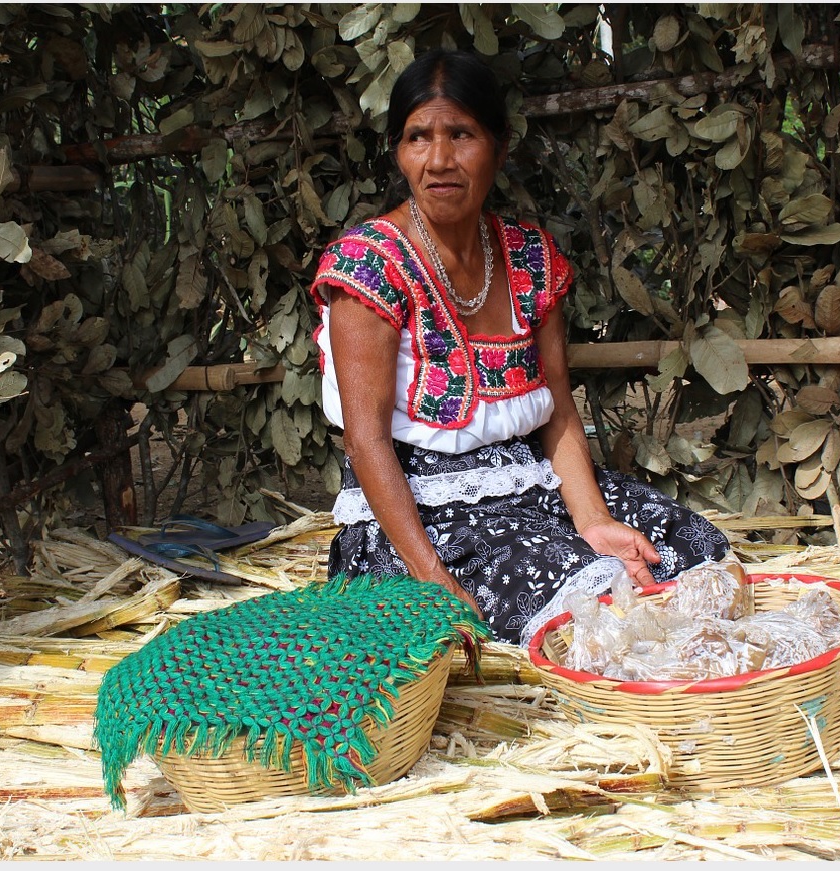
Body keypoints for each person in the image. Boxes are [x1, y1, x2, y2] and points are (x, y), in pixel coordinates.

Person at [309, 49, 735, 646]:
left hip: (530, 481)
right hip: (420, 516)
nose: (438, 160)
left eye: (461, 134)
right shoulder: (368, 267)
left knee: (688, 549)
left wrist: (592, 519)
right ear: (399, 152)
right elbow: (366, 440)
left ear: (499, 148)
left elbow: (557, 409)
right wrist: (433, 580)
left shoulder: (530, 258)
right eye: (418, 137)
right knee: (592, 603)